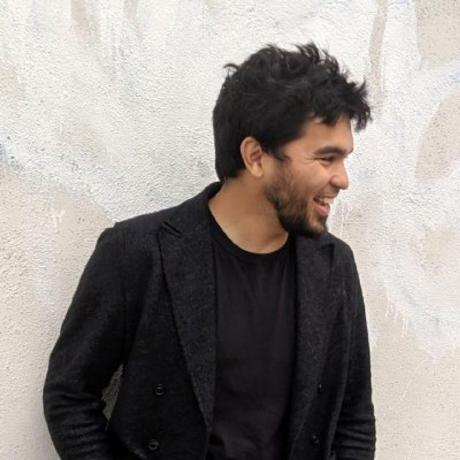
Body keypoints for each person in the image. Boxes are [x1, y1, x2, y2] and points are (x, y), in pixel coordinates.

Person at [43, 42, 376, 460]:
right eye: (326, 158)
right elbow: (69, 394)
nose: (342, 179)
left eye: (343, 159)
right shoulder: (140, 251)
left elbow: (353, 419)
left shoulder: (333, 265)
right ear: (255, 156)